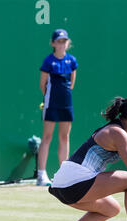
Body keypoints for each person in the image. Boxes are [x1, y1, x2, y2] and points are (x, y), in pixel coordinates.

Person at [37, 29, 78, 186]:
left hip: (66, 103)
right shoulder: (48, 62)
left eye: (64, 41)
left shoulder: (72, 61)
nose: (62, 44)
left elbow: (71, 84)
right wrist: (50, 99)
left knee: (65, 137)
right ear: (53, 43)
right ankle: (41, 175)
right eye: (59, 41)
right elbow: (43, 85)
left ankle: (63, 174)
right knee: (47, 137)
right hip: (51, 103)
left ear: (68, 43)